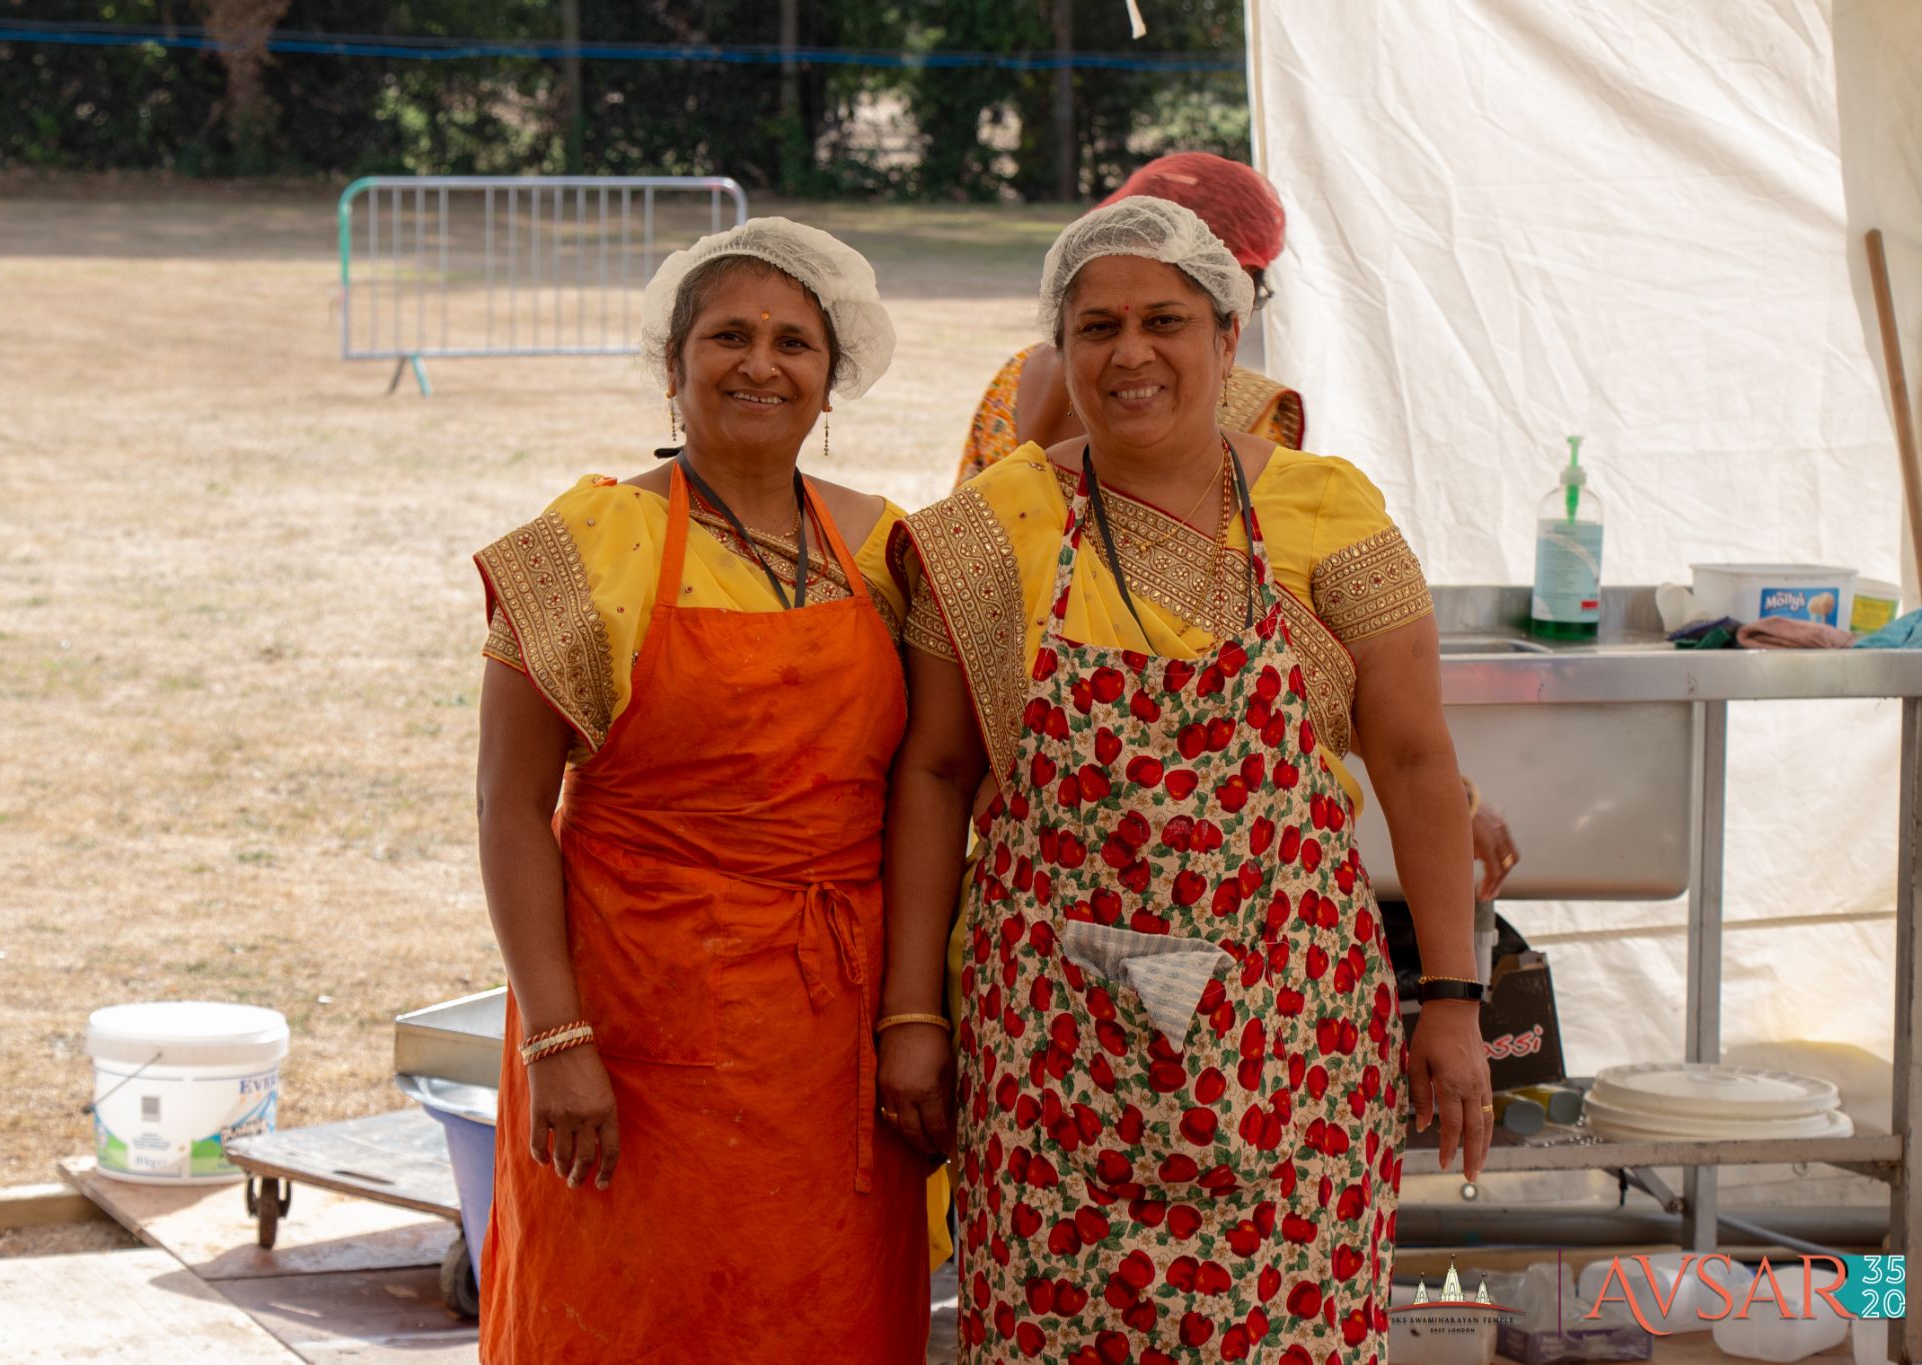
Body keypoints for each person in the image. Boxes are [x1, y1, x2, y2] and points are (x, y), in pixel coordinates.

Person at [879, 198, 1493, 1363]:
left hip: (1289, 1041)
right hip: (1052, 1055)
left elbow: (1416, 762)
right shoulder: (986, 529)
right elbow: (934, 774)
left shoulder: (1326, 512)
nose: (1130, 353)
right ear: (1059, 348)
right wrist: (914, 1015)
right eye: (1095, 325)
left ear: (1227, 335)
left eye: (1164, 320)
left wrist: (1454, 1004)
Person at [470, 218, 929, 1363]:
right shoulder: (584, 546)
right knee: (634, 1312)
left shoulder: (885, 547)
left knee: (822, 1312)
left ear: (833, 378)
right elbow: (510, 807)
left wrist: (916, 1013)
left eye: (793, 342)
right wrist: (556, 1041)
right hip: (631, 1024)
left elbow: (938, 779)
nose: (759, 364)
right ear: (672, 371)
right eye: (727, 335)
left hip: (832, 1041)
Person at [956, 152, 1305, 486]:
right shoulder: (1249, 405)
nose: (1133, 355)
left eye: (1163, 321)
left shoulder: (1016, 375)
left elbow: (966, 519)